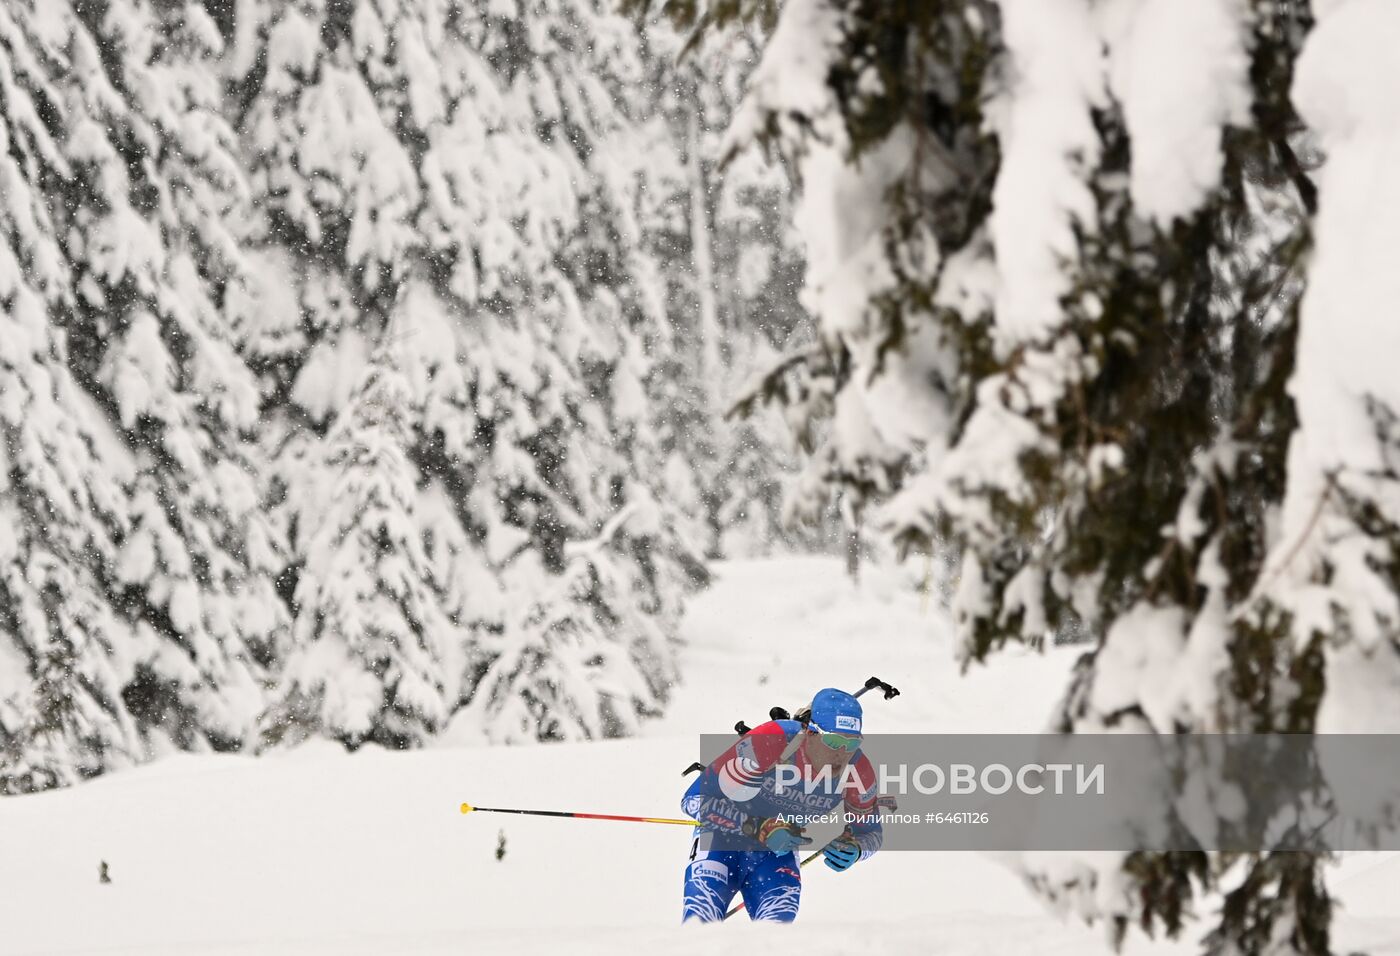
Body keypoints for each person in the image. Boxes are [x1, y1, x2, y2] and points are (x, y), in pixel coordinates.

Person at [680, 687, 883, 923]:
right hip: (719, 838)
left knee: (777, 937)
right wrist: (757, 827)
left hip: (775, 853)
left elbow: (871, 833)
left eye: (852, 743)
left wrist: (855, 848)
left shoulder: (858, 770)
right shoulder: (771, 739)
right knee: (700, 922)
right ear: (810, 732)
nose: (842, 753)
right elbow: (693, 800)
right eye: (833, 741)